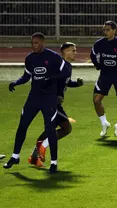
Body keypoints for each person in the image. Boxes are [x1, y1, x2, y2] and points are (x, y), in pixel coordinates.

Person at [3, 32, 68, 173]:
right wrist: (16, 82)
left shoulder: (53, 57)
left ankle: (54, 163)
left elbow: (66, 72)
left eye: (37, 43)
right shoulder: (30, 58)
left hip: (48, 99)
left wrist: (51, 79)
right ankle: (15, 156)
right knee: (22, 125)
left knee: (50, 129)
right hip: (34, 98)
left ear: (43, 43)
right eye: (32, 43)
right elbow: (27, 76)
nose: (34, 45)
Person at [28, 42, 84, 167]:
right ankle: (43, 146)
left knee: (51, 129)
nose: (76, 53)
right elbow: (49, 79)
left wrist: (76, 84)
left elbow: (65, 82)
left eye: (75, 50)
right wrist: (53, 95)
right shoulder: (58, 65)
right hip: (51, 102)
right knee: (66, 128)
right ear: (65, 52)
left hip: (55, 102)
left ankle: (34, 157)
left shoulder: (68, 66)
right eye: (73, 50)